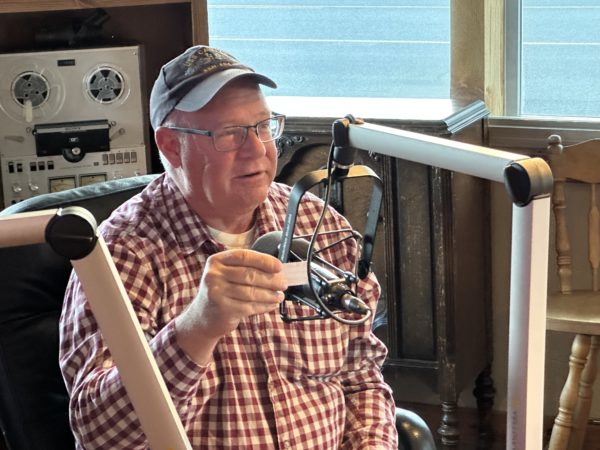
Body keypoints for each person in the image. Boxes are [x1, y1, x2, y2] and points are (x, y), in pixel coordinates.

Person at [59, 45, 398, 449]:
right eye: (230, 134)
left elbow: (361, 376)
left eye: (263, 126)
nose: (258, 150)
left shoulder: (316, 224)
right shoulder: (122, 254)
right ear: (171, 145)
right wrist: (195, 328)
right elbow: (98, 434)